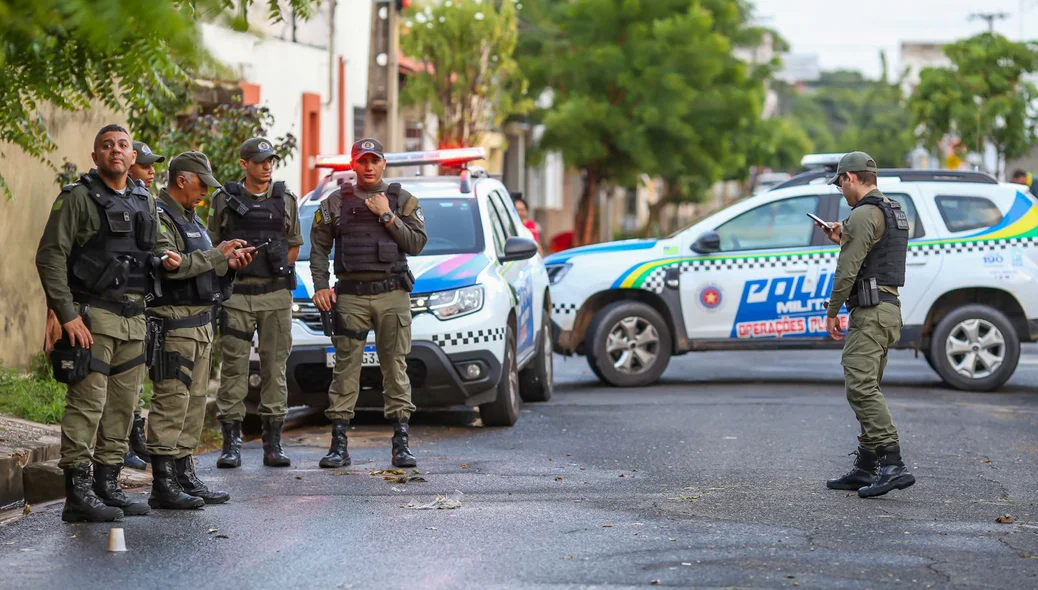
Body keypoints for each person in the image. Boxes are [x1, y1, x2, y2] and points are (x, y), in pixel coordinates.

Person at [36, 124, 183, 522]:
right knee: (87, 406)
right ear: (95, 156)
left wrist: (162, 260)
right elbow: (50, 256)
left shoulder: (144, 199)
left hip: (134, 322)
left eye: (122, 145)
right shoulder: (78, 198)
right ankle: (77, 494)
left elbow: (149, 252)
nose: (115, 151)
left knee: (122, 408)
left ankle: (107, 484)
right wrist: (66, 314)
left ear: (132, 157)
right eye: (107, 146)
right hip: (92, 319)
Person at [309, 138, 427, 468]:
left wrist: (387, 215)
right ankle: (338, 443)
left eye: (374, 160)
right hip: (351, 297)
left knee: (395, 367)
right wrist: (320, 286)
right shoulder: (334, 202)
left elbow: (417, 243)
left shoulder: (402, 199)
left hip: (392, 295)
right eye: (362, 161)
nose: (369, 167)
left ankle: (401, 443)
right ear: (353, 165)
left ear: (384, 163)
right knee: (346, 369)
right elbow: (318, 248)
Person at [147, 151, 255, 509]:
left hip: (201, 325)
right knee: (171, 403)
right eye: (200, 185)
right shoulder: (160, 217)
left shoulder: (192, 220)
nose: (204, 193)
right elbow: (172, 268)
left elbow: (202, 269)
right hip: (174, 326)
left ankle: (185, 474)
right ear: (182, 180)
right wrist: (217, 254)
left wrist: (229, 265)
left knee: (193, 406)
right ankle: (163, 484)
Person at [814, 151, 915, 499]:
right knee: (866, 384)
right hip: (888, 311)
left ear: (850, 178)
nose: (841, 190)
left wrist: (831, 311)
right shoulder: (892, 209)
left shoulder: (861, 216)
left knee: (859, 386)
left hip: (871, 314)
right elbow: (876, 251)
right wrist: (842, 236)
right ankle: (867, 465)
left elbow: (848, 270)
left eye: (840, 183)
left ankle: (893, 463)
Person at [208, 137, 303, 469]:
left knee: (275, 368)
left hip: (275, 296)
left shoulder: (285, 199)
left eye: (270, 160)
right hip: (236, 295)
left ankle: (272, 441)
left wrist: (276, 265)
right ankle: (231, 442)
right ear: (243, 163)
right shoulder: (224, 200)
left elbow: (294, 244)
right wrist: (231, 261)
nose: (267, 165)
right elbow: (214, 245)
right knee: (233, 368)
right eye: (260, 160)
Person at [123, 140, 165, 471]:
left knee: (136, 378)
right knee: (120, 382)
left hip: (142, 301)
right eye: (146, 166)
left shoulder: (146, 200)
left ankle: (135, 438)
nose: (151, 172)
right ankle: (123, 441)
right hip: (113, 302)